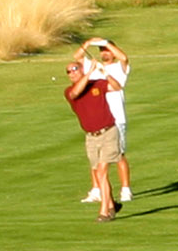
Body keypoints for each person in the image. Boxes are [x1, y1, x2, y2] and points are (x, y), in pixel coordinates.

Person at [64, 57, 124, 222]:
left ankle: (104, 211)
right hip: (91, 137)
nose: (72, 73)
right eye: (69, 71)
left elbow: (117, 87)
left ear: (81, 69)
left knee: (102, 171)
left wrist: (106, 74)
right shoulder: (69, 92)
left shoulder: (97, 84)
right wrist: (89, 72)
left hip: (108, 132)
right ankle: (111, 205)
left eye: (75, 69)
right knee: (99, 173)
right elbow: (76, 92)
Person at [77, 38, 134, 203]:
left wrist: (106, 43)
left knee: (118, 154)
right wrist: (88, 43)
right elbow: (78, 56)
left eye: (107, 50)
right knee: (95, 158)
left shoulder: (119, 67)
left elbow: (124, 58)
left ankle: (126, 189)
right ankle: (96, 190)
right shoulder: (92, 66)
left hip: (116, 117)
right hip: (99, 118)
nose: (104, 53)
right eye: (101, 50)